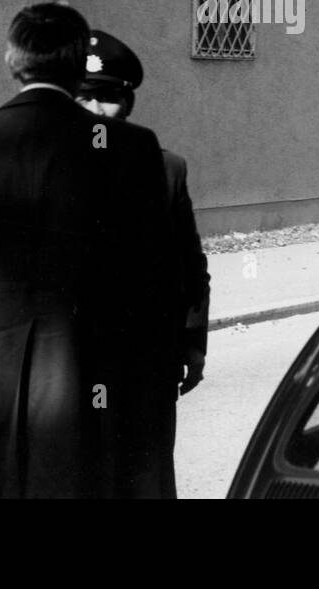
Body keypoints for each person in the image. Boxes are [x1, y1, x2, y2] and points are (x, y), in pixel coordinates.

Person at [0, 3, 179, 498]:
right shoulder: (131, 149)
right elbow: (155, 276)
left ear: (13, 61)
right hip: (89, 379)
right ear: (77, 67)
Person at [77, 29, 212, 498]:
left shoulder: (164, 168)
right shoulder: (41, 165)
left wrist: (192, 345)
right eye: (86, 97)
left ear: (128, 103)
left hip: (144, 364)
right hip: (66, 363)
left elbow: (189, 266)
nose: (97, 110)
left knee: (145, 480)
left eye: (109, 98)